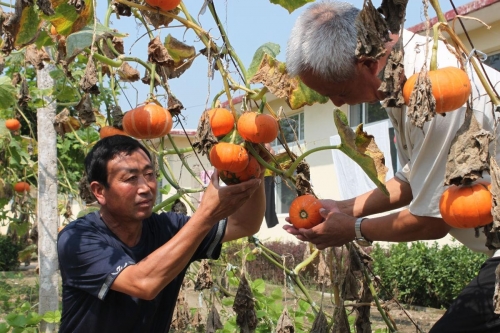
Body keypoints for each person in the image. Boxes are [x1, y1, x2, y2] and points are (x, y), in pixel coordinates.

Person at [284, 1, 500, 332]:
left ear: (367, 62)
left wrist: (352, 230)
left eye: (339, 92)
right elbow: (415, 179)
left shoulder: (434, 89)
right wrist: (342, 209)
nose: (338, 103)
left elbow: (432, 221)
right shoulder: (393, 78)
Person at [57, 135, 265, 332]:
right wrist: (206, 214)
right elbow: (143, 283)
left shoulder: (168, 228)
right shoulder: (77, 239)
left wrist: (255, 169)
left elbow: (245, 224)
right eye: (131, 178)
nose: (145, 187)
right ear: (99, 191)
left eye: (149, 175)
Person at [264, 142, 279, 228]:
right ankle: (271, 222)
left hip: (267, 175)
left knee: (268, 201)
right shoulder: (267, 146)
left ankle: (271, 221)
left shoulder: (269, 147)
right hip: (264, 175)